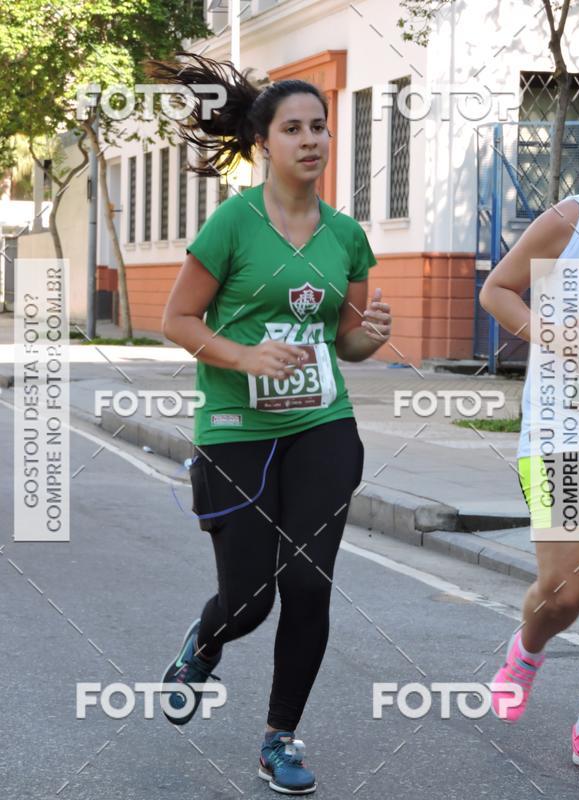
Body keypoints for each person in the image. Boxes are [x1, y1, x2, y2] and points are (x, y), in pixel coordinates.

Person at [145, 53, 392, 794]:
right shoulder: (232, 222)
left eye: (320, 126)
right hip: (234, 430)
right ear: (264, 143)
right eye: (294, 128)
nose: (311, 139)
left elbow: (346, 339)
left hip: (323, 425)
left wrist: (369, 336)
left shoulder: (346, 235)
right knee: (249, 601)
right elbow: (177, 319)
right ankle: (205, 643)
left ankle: (279, 737)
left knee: (310, 587)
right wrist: (245, 356)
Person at [479, 181, 579, 774]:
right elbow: (497, 290)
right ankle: (527, 651)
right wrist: (557, 337)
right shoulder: (575, 219)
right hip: (563, 434)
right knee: (566, 592)